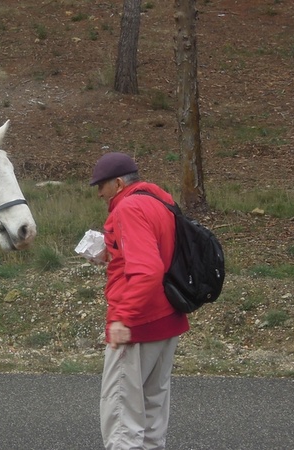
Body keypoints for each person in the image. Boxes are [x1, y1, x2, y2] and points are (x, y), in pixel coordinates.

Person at [89, 152, 190, 449]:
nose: (99, 194)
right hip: (168, 317)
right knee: (152, 412)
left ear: (119, 183)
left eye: (101, 186)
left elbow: (147, 270)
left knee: (122, 416)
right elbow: (158, 252)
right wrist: (111, 253)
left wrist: (122, 317)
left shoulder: (128, 208)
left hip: (139, 324)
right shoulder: (160, 201)